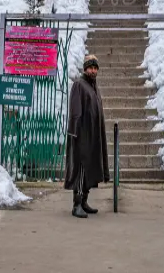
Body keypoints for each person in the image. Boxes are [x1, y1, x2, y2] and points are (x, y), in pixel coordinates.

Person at [64, 54, 109, 218]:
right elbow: (75, 111)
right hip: (82, 135)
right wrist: (75, 133)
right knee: (81, 169)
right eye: (91, 67)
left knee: (90, 169)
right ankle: (76, 204)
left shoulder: (94, 87)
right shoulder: (79, 85)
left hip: (93, 135)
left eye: (95, 68)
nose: (93, 70)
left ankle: (84, 201)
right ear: (85, 68)